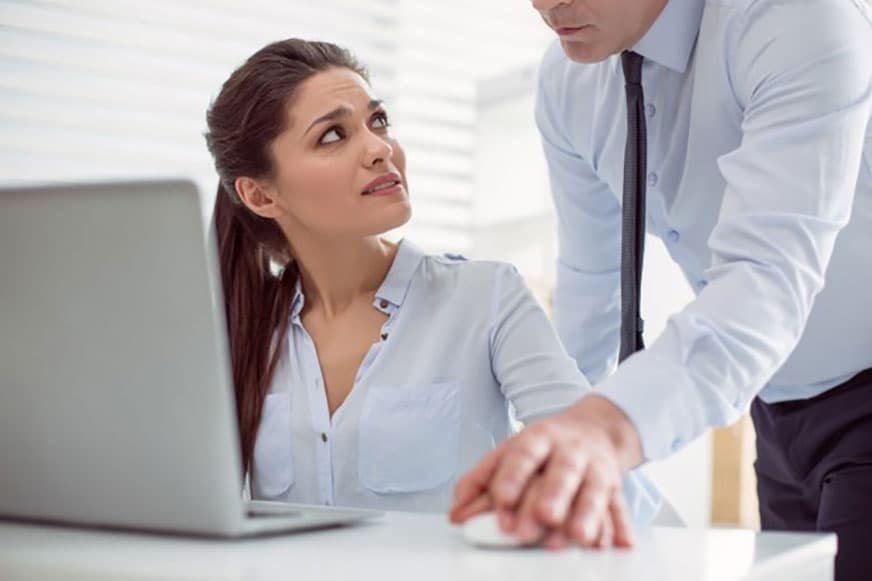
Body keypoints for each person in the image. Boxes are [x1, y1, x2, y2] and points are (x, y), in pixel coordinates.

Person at [451, 0, 872, 577]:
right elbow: (590, 282)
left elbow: (764, 278)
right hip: (774, 413)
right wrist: (558, 453)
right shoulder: (566, 78)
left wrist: (604, 431)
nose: (547, 4)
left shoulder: (793, 16)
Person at [203, 38, 660, 523]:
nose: (380, 149)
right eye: (333, 136)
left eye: (377, 121)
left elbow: (609, 481)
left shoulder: (487, 298)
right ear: (260, 195)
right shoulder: (239, 334)